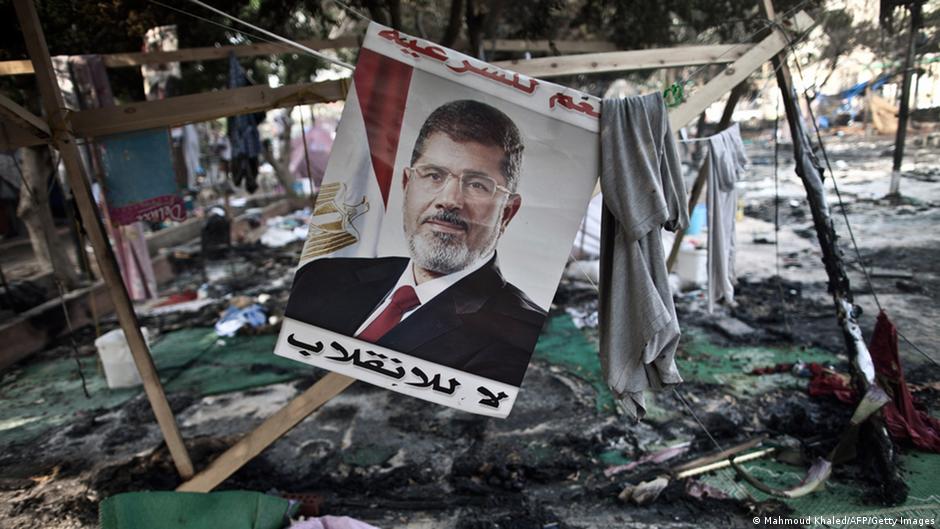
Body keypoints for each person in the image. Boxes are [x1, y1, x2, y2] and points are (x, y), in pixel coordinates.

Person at [285, 100, 546, 386]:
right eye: (434, 175)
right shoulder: (319, 278)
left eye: (477, 185)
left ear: (507, 212)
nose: (449, 200)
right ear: (407, 184)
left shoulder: (523, 340)